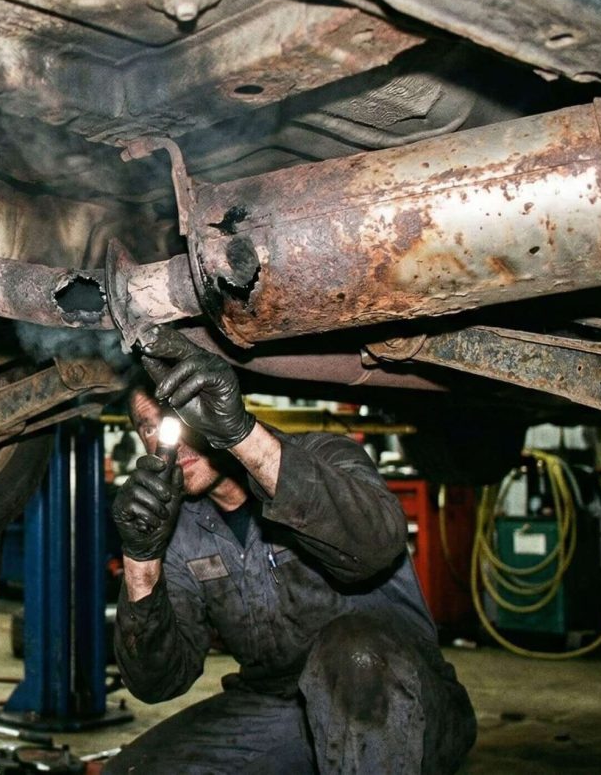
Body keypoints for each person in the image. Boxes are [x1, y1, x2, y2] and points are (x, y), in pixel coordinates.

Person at [106, 329, 475, 774]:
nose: (173, 443)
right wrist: (141, 557)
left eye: (184, 413)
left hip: (396, 697)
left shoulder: (324, 456)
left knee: (354, 654)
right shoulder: (179, 530)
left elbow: (374, 548)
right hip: (280, 709)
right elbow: (158, 682)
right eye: (150, 427)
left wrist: (240, 435)